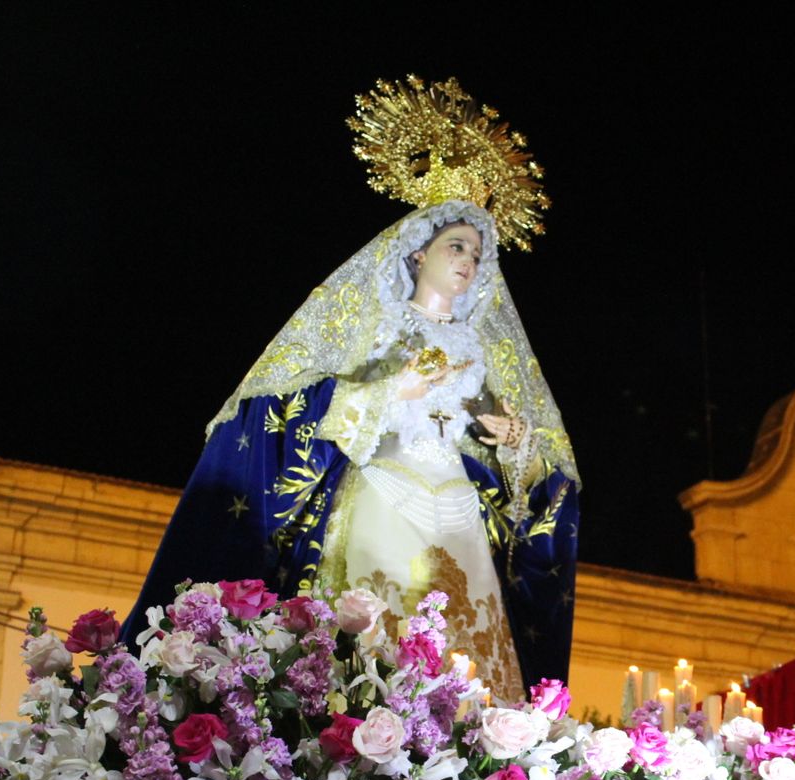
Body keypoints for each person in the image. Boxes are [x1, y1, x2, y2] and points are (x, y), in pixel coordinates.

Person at [121, 80, 577, 700]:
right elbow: (303, 400)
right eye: (456, 246)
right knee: (378, 630)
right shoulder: (376, 326)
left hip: (457, 509)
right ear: (417, 253)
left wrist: (514, 439)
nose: (468, 261)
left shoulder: (479, 350)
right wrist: (394, 389)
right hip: (383, 490)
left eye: (476, 252)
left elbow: (515, 469)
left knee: (464, 642)